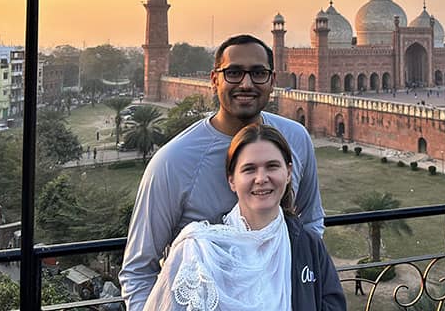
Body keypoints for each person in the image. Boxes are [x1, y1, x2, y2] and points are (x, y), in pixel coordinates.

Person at [121, 35, 325, 310]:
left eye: (258, 73)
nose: (246, 83)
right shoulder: (173, 161)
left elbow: (311, 222)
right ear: (214, 79)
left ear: (272, 80)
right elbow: (138, 269)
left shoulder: (295, 139)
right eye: (233, 72)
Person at [144, 124, 345, 310]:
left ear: (289, 173)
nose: (261, 178)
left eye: (272, 166)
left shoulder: (306, 245)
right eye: (249, 169)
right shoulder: (204, 249)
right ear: (232, 180)